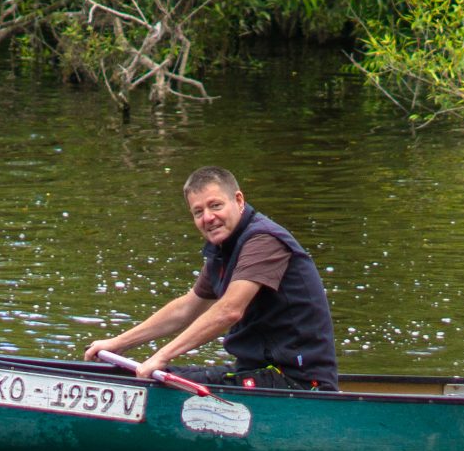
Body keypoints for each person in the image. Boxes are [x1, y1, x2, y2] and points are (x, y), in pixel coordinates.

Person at [83, 167, 339, 390]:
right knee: (158, 378)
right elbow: (186, 308)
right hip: (256, 372)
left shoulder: (263, 241)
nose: (208, 218)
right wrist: (118, 343)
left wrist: (161, 356)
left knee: (161, 380)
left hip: (298, 381)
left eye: (215, 206)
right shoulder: (224, 249)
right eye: (198, 212)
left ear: (238, 200)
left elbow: (229, 311)